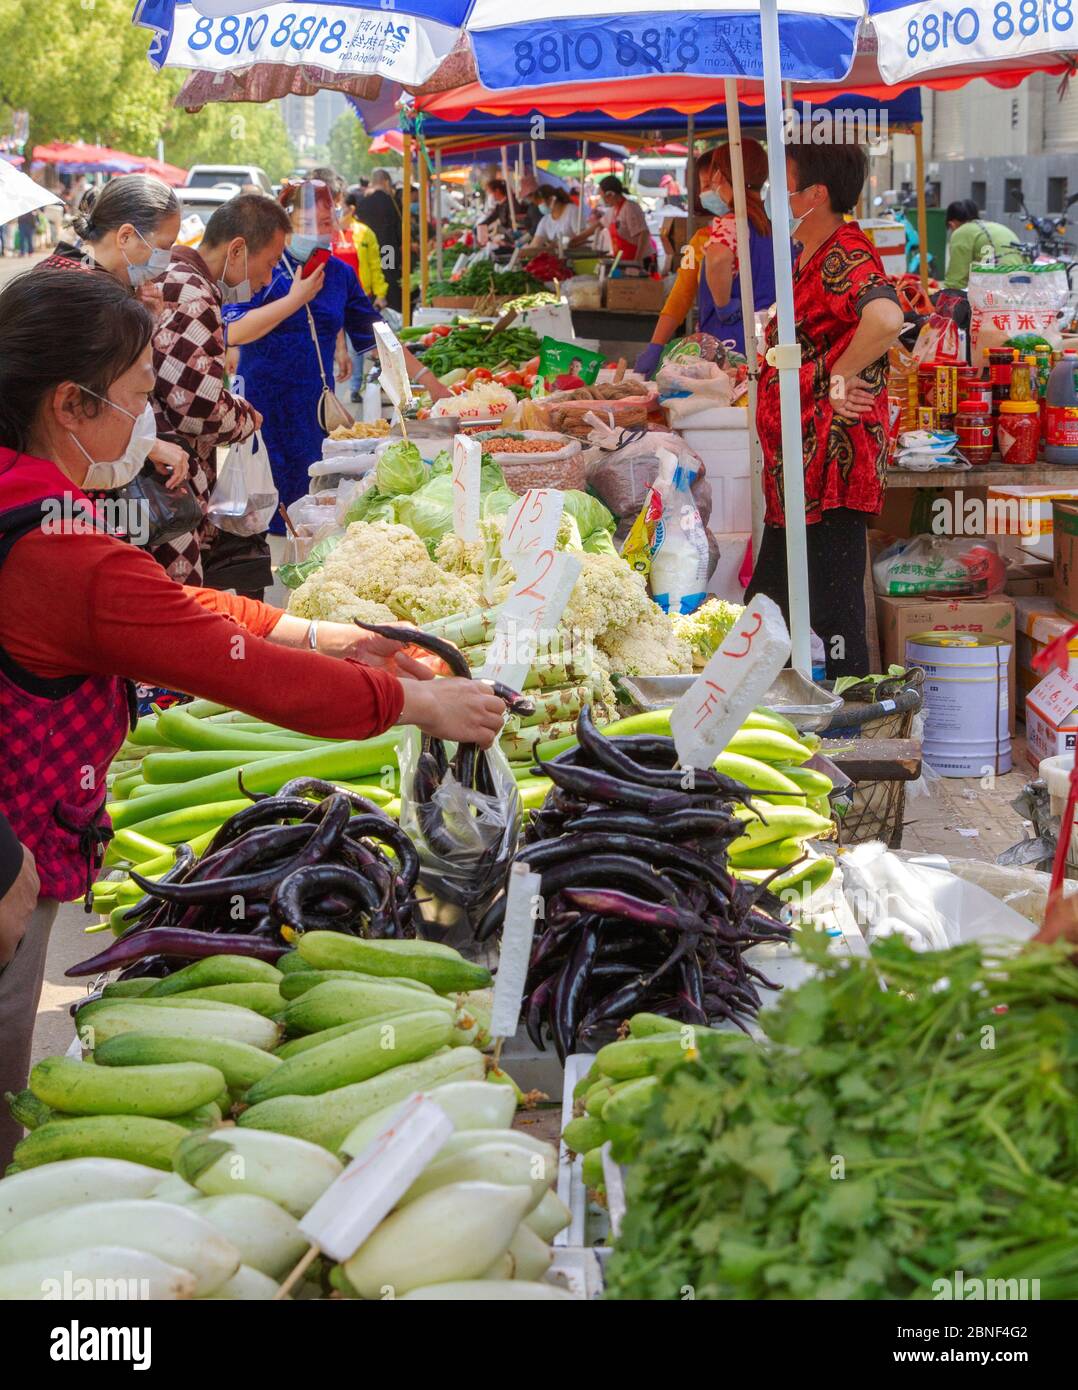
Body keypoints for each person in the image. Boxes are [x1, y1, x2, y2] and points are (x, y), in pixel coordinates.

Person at [0, 269, 508, 1166]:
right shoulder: (55, 550)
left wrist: (323, 632)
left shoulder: (29, 494)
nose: (143, 421)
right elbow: (223, 666)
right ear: (70, 404)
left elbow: (170, 611)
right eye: (130, 399)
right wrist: (415, 700)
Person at [223, 179, 448, 556]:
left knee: (313, 505)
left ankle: (302, 576)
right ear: (286, 224)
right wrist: (296, 299)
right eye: (308, 221)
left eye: (326, 222)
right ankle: (270, 594)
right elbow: (232, 330)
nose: (318, 230)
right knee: (265, 514)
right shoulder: (264, 269)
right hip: (263, 409)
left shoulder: (339, 275)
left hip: (315, 412)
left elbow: (376, 335)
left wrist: (428, 380)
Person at [747, 140, 904, 678]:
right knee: (769, 606)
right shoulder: (812, 252)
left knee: (831, 612)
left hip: (832, 470)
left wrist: (841, 376)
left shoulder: (845, 251)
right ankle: (768, 703)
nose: (776, 196)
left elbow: (885, 318)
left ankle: (855, 730)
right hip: (801, 472)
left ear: (815, 193)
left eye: (784, 185)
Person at [151, 193, 308, 590]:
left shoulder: (183, 279)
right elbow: (198, 408)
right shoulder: (191, 294)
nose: (268, 279)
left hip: (171, 481)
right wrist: (245, 418)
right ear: (237, 249)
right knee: (180, 606)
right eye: (270, 263)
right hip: (168, 490)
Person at [36, 175, 192, 505]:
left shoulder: (65, 272)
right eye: (163, 247)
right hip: (68, 471)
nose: (165, 260)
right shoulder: (86, 296)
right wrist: (146, 444)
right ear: (125, 236)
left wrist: (141, 320)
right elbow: (73, 392)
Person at [636, 142, 777, 374]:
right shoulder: (777, 226)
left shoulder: (729, 225)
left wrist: (724, 305)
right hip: (771, 346)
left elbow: (717, 259)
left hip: (730, 348)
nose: (707, 192)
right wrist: (656, 345)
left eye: (708, 184)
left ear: (720, 176)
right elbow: (680, 296)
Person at [343, 188, 390, 401]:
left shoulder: (364, 232)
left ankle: (355, 388)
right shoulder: (326, 234)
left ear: (351, 209)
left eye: (340, 207)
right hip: (332, 296)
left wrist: (381, 293)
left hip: (360, 296)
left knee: (356, 345)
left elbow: (375, 264)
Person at [943, 198, 1024, 291]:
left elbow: (956, 278)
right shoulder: (994, 226)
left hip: (999, 283)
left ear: (952, 224)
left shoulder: (962, 232)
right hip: (1021, 280)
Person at [355, 169, 403, 312]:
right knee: (389, 280)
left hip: (367, 251)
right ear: (386, 182)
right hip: (388, 249)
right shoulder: (392, 202)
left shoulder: (363, 203)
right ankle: (393, 310)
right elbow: (399, 229)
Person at [593, 175, 651, 263]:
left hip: (640, 261)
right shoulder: (613, 210)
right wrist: (576, 241)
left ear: (610, 194)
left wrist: (637, 262)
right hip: (624, 260)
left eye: (603, 196)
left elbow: (644, 234)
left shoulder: (630, 207)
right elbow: (599, 225)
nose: (603, 200)